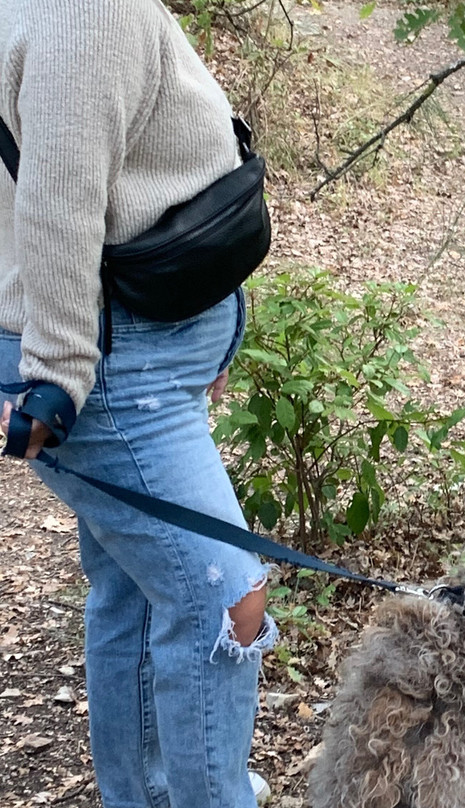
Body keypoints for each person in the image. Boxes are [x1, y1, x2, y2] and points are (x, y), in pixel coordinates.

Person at [0, 1, 277, 804]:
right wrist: (55, 372)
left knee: (135, 591)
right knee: (226, 597)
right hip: (109, 364)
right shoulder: (83, 10)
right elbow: (57, 200)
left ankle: (147, 794)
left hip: (133, 348)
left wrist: (198, 330)